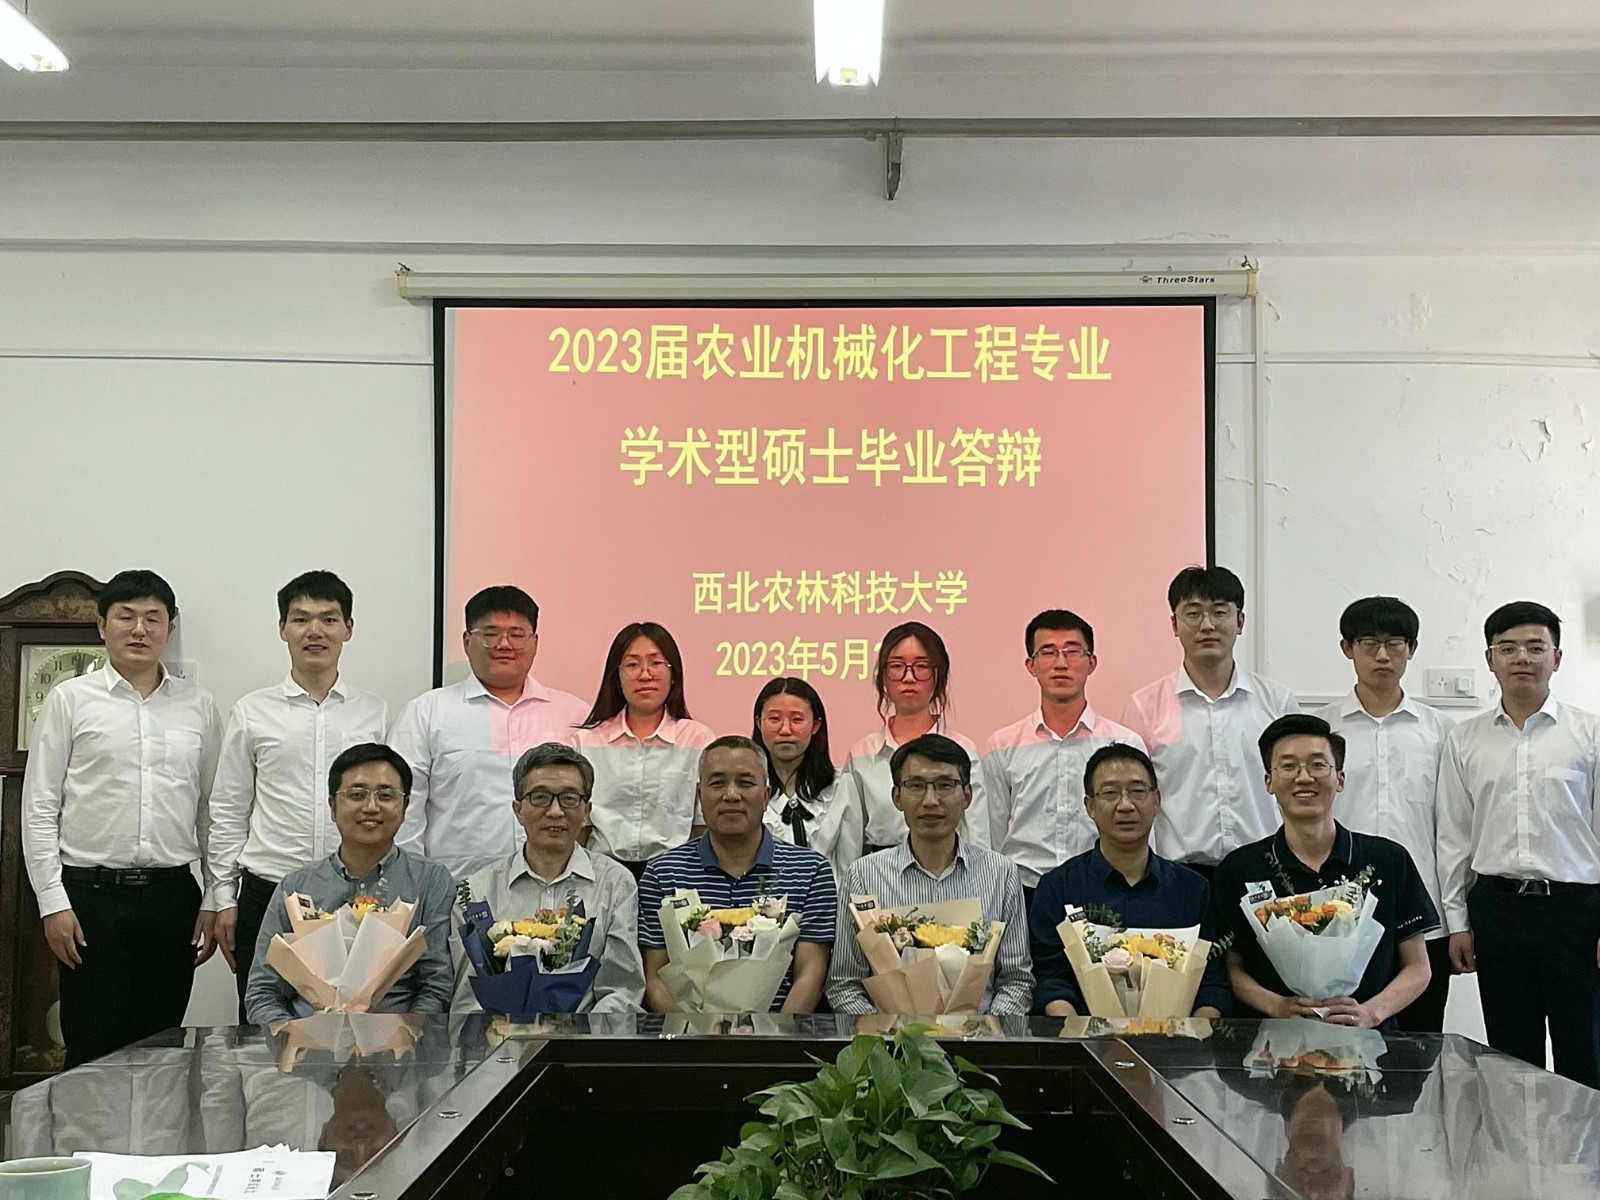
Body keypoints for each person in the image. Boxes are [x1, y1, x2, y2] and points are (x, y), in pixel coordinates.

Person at [22, 569, 223, 1067]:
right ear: (102, 626)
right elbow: (40, 805)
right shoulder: (70, 700)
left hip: (172, 899)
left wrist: (216, 896)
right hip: (90, 900)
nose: (139, 630)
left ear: (169, 628)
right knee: (92, 1051)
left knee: (161, 1051)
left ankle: (155, 1125)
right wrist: (52, 903)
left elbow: (211, 808)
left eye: (153, 618)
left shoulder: (198, 705)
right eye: (126, 617)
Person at [209, 571, 389, 1021]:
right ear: (283, 628)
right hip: (268, 891)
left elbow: (388, 808)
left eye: (329, 619)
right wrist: (224, 896)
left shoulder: (373, 712)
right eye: (301, 619)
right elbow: (229, 808)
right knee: (264, 1025)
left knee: (354, 1026)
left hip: (354, 895)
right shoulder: (252, 711)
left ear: (348, 628)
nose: (315, 631)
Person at [1438, 601, 1600, 1087]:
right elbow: (1454, 837)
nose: (1522, 658)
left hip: (1576, 912)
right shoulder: (1465, 739)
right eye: (1507, 648)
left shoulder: (1590, 734)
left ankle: (1586, 1142)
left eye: (1535, 647)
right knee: (1510, 1059)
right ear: (1490, 659)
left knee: (1585, 1054)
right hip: (1498, 911)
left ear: (1557, 657)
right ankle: (1516, 1141)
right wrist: (1457, 923)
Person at [1212, 715, 1437, 1030]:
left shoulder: (1388, 860)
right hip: (1273, 1043)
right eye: (1288, 766)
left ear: (1340, 779)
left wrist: (1370, 1013)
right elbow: (1231, 968)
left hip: (1373, 1042)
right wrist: (1276, 1005)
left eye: (1318, 765)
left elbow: (1418, 967)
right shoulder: (1240, 869)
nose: (1304, 777)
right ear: (1268, 782)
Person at [1314, 596, 1453, 1033]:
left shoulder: (1439, 731)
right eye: (1368, 643)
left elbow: (1453, 830)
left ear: (1411, 649)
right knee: (1335, 1044)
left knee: (1421, 1044)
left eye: (1394, 643)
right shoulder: (1321, 731)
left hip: (1420, 911)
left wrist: (1457, 919)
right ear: (1346, 648)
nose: (1382, 655)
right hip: (1335, 915)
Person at [244, 743, 455, 1022]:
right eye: (356, 795)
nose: (371, 807)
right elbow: (263, 991)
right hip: (307, 1039)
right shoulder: (296, 887)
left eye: (386, 795)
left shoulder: (431, 881)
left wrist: (405, 1038)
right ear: (332, 807)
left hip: (399, 1039)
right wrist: (291, 1038)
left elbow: (436, 986)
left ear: (405, 808)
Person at [827, 733, 1034, 1016]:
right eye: (916, 786)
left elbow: (1016, 981)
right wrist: (888, 1033)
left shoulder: (1001, 873)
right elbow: (844, 984)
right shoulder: (864, 875)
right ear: (897, 797)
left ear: (967, 796)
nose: (931, 800)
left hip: (979, 1036)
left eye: (945, 785)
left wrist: (985, 1031)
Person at [389, 586, 588, 879]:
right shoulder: (426, 713)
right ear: (467, 641)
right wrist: (415, 882)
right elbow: (403, 805)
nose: (504, 645)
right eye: (491, 634)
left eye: (517, 634)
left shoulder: (574, 715)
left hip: (556, 887)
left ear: (535, 642)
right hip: (456, 887)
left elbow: (591, 812)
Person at [1120, 566, 1299, 877]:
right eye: (1193, 613)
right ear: (1174, 624)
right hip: (1178, 874)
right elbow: (1133, 797)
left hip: (1267, 870)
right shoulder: (1144, 708)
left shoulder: (1277, 703)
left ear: (1240, 621)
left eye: (1219, 612)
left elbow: (1297, 788)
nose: (1207, 625)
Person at [636, 737, 837, 1013]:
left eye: (745, 783)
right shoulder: (662, 873)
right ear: (700, 796)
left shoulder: (810, 871)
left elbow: (810, 976)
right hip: (688, 1032)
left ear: (766, 796)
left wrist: (774, 1033)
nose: (731, 795)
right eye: (718, 783)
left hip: (781, 1031)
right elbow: (655, 979)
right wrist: (695, 1032)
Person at [1029, 743, 1228, 1018]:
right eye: (1110, 793)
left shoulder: (1193, 889)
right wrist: (1077, 1034)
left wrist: (1193, 1036)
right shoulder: (1058, 888)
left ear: (1156, 801)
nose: (1125, 805)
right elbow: (1052, 980)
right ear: (1089, 806)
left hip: (1177, 1040)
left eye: (1137, 791)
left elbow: (1212, 986)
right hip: (1082, 1038)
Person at [453, 742, 644, 1013]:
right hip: (499, 1035)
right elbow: (467, 996)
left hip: (588, 1035)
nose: (555, 811)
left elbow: (621, 989)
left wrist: (583, 1034)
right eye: (540, 797)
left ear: (586, 811)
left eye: (569, 798)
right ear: (518, 810)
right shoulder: (477, 890)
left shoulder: (615, 883)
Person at [982, 609, 1146, 912]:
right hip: (1024, 892)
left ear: (1091, 663)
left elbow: (1143, 828)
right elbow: (990, 836)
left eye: (1072, 652)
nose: (1060, 663)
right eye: (1048, 652)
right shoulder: (1002, 745)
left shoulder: (1124, 743)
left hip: (1103, 890)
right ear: (1031, 665)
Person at [576, 622, 715, 878]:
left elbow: (702, 824)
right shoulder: (587, 742)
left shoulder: (697, 739)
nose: (645, 674)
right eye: (632, 664)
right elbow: (580, 827)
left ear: (673, 674)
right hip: (602, 873)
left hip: (676, 873)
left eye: (656, 663)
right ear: (616, 677)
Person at [844, 621, 988, 855]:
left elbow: (978, 834)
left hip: (949, 869)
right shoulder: (862, 753)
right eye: (897, 666)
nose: (909, 677)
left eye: (921, 666)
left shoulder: (963, 749)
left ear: (939, 675)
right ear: (883, 676)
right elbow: (849, 839)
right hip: (880, 870)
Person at [752, 677, 863, 883]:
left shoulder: (841, 786)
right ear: (759, 723)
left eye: (797, 720)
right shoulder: (748, 790)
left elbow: (849, 865)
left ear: (815, 725)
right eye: (774, 719)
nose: (785, 730)